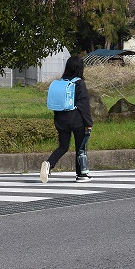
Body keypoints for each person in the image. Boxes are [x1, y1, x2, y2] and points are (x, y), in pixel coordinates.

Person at [40, 55, 93, 183]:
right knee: (80, 148)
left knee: (63, 146)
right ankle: (81, 175)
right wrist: (88, 123)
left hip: (61, 120)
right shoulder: (79, 83)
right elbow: (84, 105)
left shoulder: (62, 82)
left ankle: (49, 163)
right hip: (76, 120)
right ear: (80, 68)